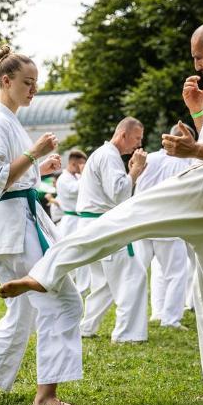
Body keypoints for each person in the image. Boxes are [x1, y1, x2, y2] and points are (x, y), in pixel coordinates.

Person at [0, 20, 203, 403]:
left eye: (199, 57)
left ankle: (46, 271)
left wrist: (194, 151)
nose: (198, 67)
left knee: (130, 215)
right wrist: (199, 114)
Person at [0, 45, 83, 405]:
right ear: (6, 81)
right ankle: (46, 397)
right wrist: (34, 153)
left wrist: (36, 170)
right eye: (28, 83)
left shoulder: (7, 120)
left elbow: (9, 179)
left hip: (12, 223)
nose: (34, 90)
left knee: (22, 313)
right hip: (12, 226)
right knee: (63, 301)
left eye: (36, 84)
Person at [75, 118, 148, 342]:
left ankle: (86, 327)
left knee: (104, 283)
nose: (138, 145)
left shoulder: (103, 154)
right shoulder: (109, 156)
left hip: (92, 225)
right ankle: (127, 334)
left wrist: (130, 173)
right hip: (105, 225)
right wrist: (135, 171)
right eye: (137, 138)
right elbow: (118, 194)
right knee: (134, 275)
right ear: (123, 135)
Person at [135, 123, 194, 330]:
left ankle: (153, 313)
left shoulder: (149, 158)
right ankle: (170, 318)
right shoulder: (187, 162)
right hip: (168, 222)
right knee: (176, 273)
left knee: (145, 271)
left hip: (142, 221)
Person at [55, 150, 89, 293]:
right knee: (70, 252)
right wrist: (84, 175)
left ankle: (81, 284)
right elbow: (74, 190)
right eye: (81, 164)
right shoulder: (64, 178)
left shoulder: (76, 177)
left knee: (81, 252)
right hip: (70, 220)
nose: (83, 167)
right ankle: (67, 283)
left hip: (78, 219)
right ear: (73, 163)